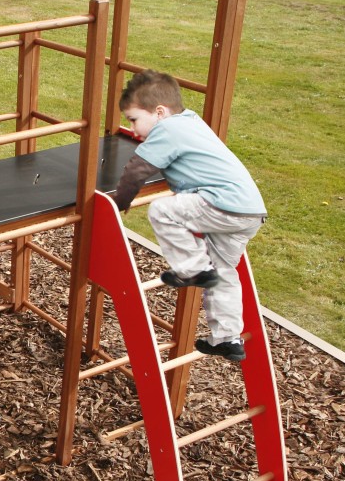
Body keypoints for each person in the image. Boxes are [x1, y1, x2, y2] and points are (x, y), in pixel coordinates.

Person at [111, 70, 266, 362]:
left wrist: (118, 202)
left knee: (163, 209)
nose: (132, 129)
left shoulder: (166, 129)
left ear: (159, 112)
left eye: (133, 119)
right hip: (250, 211)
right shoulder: (192, 122)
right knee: (222, 273)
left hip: (222, 203)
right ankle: (227, 338)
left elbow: (137, 169)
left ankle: (192, 267)